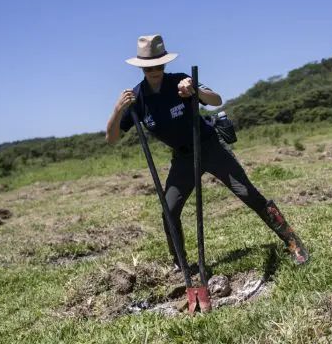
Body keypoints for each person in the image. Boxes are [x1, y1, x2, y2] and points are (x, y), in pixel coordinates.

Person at [106, 34, 309, 271]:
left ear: (165, 63)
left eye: (159, 64)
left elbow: (216, 99)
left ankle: (293, 242)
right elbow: (111, 139)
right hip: (182, 158)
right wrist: (117, 110)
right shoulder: (137, 98)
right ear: (142, 67)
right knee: (169, 211)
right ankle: (180, 264)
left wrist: (195, 91)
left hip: (209, 146)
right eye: (149, 66)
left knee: (248, 194)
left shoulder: (181, 80)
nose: (155, 70)